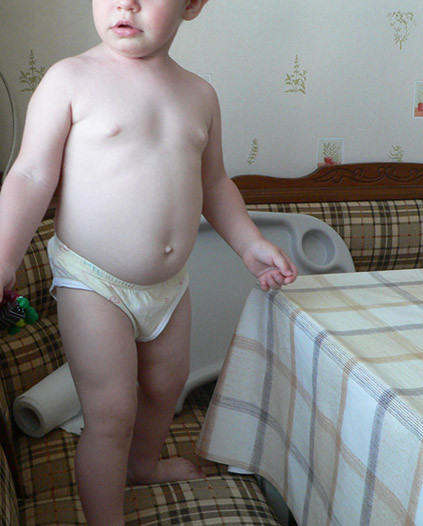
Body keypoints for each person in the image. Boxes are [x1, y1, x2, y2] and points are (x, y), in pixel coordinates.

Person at [0, 1, 298, 524]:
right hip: (93, 283)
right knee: (111, 414)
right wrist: (3, 261)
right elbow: (29, 176)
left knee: (165, 387)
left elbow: (214, 183)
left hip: (170, 287)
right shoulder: (70, 79)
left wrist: (250, 243)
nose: (125, 3)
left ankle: (141, 465)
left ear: (192, 4)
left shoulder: (200, 94)